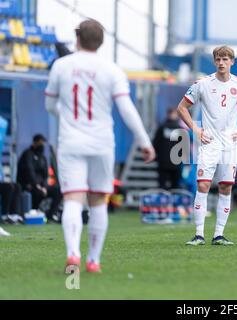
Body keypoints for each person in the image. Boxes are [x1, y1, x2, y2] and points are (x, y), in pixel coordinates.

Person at [45, 19, 155, 273]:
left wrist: (68, 115)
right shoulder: (112, 70)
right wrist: (144, 141)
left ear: (78, 37)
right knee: (98, 201)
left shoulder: (61, 66)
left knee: (72, 199)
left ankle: (73, 253)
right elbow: (126, 109)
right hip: (102, 143)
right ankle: (93, 260)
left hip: (71, 141)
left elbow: (50, 106)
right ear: (102, 41)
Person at [177, 45, 237, 246]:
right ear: (214, 61)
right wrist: (196, 130)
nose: (221, 62)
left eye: (225, 59)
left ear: (232, 62)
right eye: (218, 59)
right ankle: (199, 234)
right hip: (209, 142)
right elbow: (182, 108)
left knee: (226, 188)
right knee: (203, 185)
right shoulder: (202, 84)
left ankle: (219, 235)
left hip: (229, 144)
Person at [17, 134, 62, 223]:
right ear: (35, 143)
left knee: (58, 190)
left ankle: (50, 216)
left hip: (42, 186)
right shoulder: (27, 154)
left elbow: (45, 175)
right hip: (29, 185)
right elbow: (29, 172)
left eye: (43, 143)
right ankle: (32, 213)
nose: (42, 146)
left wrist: (44, 186)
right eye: (40, 143)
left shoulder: (42, 157)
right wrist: (37, 186)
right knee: (37, 193)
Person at [153, 108, 183, 190]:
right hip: (176, 163)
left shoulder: (162, 128)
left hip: (163, 162)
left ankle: (162, 202)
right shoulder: (180, 129)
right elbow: (184, 147)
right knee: (175, 187)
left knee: (162, 186)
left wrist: (156, 157)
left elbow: (155, 143)